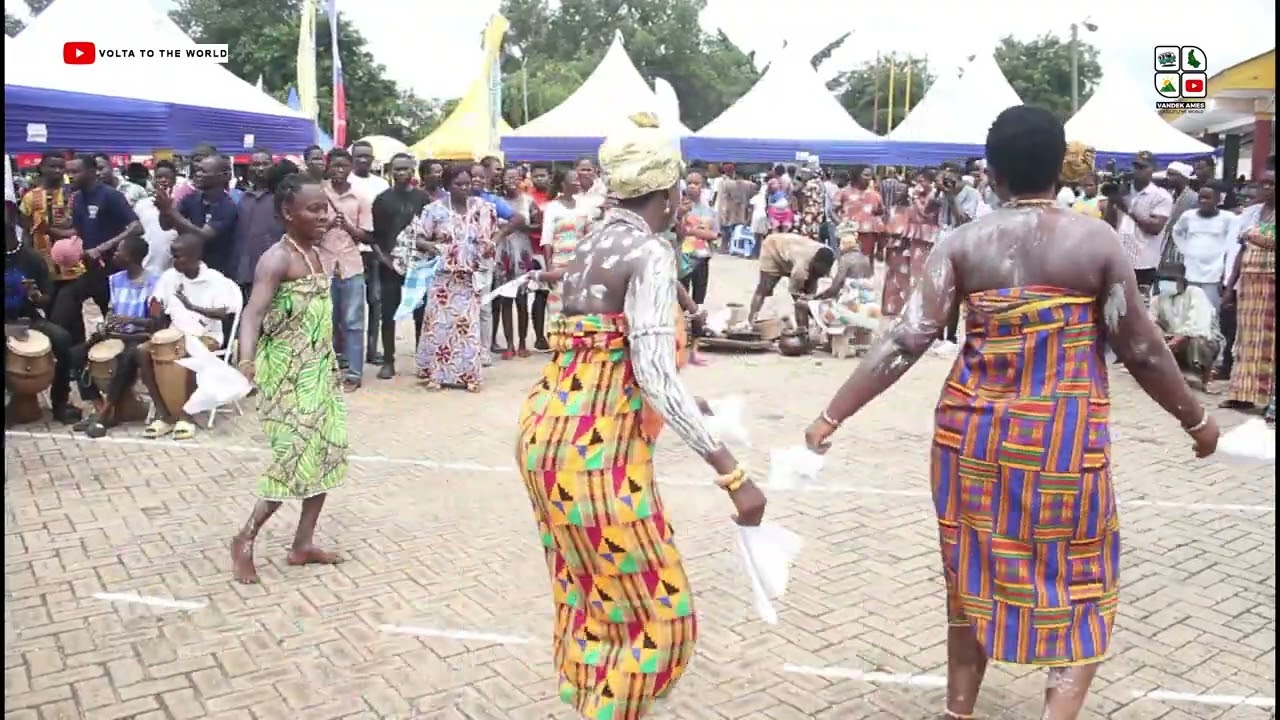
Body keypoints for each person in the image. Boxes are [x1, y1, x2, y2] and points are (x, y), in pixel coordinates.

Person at [804, 105, 1218, 720]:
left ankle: (958, 712)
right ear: (1062, 168)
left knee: (974, 574)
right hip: (1063, 442)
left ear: (992, 173)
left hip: (972, 440)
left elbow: (905, 339)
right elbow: (1140, 348)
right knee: (1081, 575)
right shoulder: (1096, 241)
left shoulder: (963, 243)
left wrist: (830, 416)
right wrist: (1196, 419)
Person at [515, 113, 764, 720]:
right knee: (662, 619)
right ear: (671, 191)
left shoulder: (588, 244)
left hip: (546, 436)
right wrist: (733, 476)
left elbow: (605, 359)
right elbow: (652, 375)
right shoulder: (649, 252)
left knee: (591, 602)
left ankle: (597, 704)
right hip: (596, 454)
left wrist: (697, 407)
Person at [231, 172, 348, 585]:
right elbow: (253, 313)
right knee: (293, 458)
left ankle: (302, 544)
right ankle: (244, 539)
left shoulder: (317, 253)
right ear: (287, 212)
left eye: (325, 208)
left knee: (326, 453)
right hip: (285, 376)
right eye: (314, 209)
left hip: (319, 372)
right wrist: (246, 361)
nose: (323, 215)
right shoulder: (277, 258)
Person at [140, 234, 242, 439]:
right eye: (173, 256)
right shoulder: (169, 277)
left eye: (179, 257)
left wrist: (191, 306)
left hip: (207, 336)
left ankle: (187, 415)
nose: (174, 261)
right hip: (175, 334)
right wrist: (155, 308)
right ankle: (164, 414)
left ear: (196, 255)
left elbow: (223, 313)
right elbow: (156, 303)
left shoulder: (215, 280)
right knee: (141, 352)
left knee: (191, 352)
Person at [414, 165, 498, 392]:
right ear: (447, 186)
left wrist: (490, 246)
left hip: (469, 277)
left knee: (467, 327)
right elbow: (419, 238)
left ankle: (469, 375)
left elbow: (495, 232)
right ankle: (437, 375)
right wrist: (433, 247)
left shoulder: (483, 208)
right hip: (442, 279)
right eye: (458, 184)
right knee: (440, 326)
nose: (464, 188)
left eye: (467, 184)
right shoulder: (434, 210)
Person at [68, 234, 159, 437]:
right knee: (75, 355)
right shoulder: (115, 280)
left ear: (133, 256)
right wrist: (106, 325)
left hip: (140, 336)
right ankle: (99, 407)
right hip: (116, 334)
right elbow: (111, 311)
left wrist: (129, 321)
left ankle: (107, 412)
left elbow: (156, 323)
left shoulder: (154, 282)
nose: (115, 254)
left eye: (120, 251)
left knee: (126, 358)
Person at [51, 154, 143, 346]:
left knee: (113, 321)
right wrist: (52, 230)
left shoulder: (110, 195)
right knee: (64, 303)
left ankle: (116, 361)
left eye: (75, 172)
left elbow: (136, 227)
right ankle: (71, 355)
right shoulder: (77, 199)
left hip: (114, 270)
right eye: (69, 172)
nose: (70, 176)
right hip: (91, 269)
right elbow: (78, 230)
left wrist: (103, 247)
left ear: (92, 172)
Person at [4, 213, 81, 424]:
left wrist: (36, 296)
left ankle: (60, 403)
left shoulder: (31, 258)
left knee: (63, 339)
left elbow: (47, 298)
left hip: (27, 320)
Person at [370, 153, 429, 378]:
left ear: (413, 171)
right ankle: (388, 361)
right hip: (390, 265)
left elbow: (429, 230)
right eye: (396, 169)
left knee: (421, 313)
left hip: (418, 266)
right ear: (390, 171)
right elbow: (376, 237)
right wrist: (385, 260)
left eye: (405, 169)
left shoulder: (423, 198)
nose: (401, 173)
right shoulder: (382, 200)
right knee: (389, 313)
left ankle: (423, 360)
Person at [1221, 169, 1275, 411]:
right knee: (1244, 339)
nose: (1266, 189)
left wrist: (1255, 237)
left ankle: (1266, 398)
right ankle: (1241, 393)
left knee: (1268, 343)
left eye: (1271, 184)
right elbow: (1240, 250)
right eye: (1263, 184)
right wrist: (1231, 285)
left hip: (1271, 285)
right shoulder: (1253, 213)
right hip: (1249, 285)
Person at [320, 148, 375, 392]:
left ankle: (353, 374)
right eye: (334, 166)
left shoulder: (361, 198)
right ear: (328, 167)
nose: (339, 171)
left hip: (352, 266)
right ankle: (329, 371)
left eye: (343, 166)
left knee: (353, 322)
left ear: (351, 168)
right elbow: (308, 232)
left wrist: (349, 227)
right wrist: (330, 224)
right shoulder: (318, 194)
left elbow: (367, 235)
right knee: (326, 322)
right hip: (323, 266)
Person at [156, 154, 239, 277]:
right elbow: (165, 226)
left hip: (216, 272)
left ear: (222, 176)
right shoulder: (191, 199)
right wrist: (163, 210)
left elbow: (203, 236)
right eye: (197, 170)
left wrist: (171, 212)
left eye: (203, 171)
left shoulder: (227, 206)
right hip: (188, 270)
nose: (198, 174)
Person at [18, 152, 82, 304]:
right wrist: (28, 258)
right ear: (42, 168)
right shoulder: (30, 197)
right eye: (53, 166)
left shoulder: (74, 194)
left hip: (71, 263)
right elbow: (25, 231)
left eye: (61, 167)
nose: (58, 171)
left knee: (71, 310)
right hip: (43, 262)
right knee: (48, 306)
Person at [796, 223, 877, 340]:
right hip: (866, 307)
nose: (838, 246)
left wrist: (816, 298)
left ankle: (803, 339)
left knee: (801, 304)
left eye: (839, 243)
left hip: (849, 309)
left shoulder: (845, 260)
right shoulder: (865, 259)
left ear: (844, 244)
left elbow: (835, 288)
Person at [1109, 151, 1173, 297]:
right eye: (1136, 166)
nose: (1138, 171)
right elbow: (1110, 223)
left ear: (1153, 170)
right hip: (1119, 260)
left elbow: (1155, 227)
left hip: (1143, 263)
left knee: (1140, 306)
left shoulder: (1161, 196)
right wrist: (1113, 200)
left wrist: (1129, 208)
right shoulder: (1123, 191)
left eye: (1143, 167)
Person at [1150, 263, 1222, 391]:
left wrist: (1174, 342)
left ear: (1181, 281)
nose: (1167, 284)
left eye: (1171, 281)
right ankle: (1172, 375)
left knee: (1199, 342)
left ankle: (1207, 378)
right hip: (1172, 339)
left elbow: (1197, 325)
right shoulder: (1158, 298)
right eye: (1164, 281)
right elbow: (1150, 321)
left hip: (1199, 339)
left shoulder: (1195, 293)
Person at [881, 169, 940, 317]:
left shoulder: (933, 195)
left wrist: (914, 198)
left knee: (921, 273)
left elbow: (925, 213)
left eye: (922, 181)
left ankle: (920, 308)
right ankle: (905, 307)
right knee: (911, 273)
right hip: (914, 236)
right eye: (918, 181)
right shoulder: (910, 200)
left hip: (926, 236)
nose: (918, 184)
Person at [494, 166, 539, 358]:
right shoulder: (498, 202)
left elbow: (539, 224)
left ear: (522, 179)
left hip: (522, 251)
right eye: (507, 177)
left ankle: (522, 343)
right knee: (505, 299)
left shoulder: (529, 201)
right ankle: (509, 344)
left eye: (515, 178)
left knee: (522, 300)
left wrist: (524, 226)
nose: (511, 181)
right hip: (503, 251)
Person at [230, 150, 284, 302]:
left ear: (273, 167)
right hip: (245, 270)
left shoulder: (281, 198)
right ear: (249, 169)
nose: (260, 169)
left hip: (275, 269)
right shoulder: (240, 199)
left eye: (265, 164)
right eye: (256, 165)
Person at [747, 231, 836, 325]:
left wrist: (812, 301)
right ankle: (751, 320)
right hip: (773, 248)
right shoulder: (801, 268)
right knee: (764, 288)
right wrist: (813, 310)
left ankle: (809, 325)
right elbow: (795, 293)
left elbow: (813, 288)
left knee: (808, 296)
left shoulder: (827, 253)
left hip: (791, 251)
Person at [1170, 184, 1235, 309]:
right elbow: (1176, 232)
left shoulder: (1228, 218)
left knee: (1211, 311)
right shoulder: (1188, 216)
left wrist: (1226, 269)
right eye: (1200, 198)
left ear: (1218, 199)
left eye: (1207, 198)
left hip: (1214, 274)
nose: (1203, 201)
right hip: (1192, 272)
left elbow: (1233, 242)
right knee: (1192, 311)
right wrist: (1185, 249)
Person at [677, 171, 719, 305]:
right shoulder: (679, 209)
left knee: (699, 298)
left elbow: (713, 235)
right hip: (682, 258)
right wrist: (700, 231)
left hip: (701, 258)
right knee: (681, 297)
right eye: (689, 183)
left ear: (703, 187)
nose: (692, 186)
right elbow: (678, 232)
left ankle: (697, 325)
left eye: (696, 183)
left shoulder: (709, 211)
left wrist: (691, 230)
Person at [834, 165, 886, 268]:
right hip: (849, 233)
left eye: (870, 176)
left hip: (868, 234)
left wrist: (880, 243)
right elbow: (833, 210)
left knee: (865, 264)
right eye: (865, 175)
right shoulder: (844, 193)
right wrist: (840, 224)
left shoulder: (875, 195)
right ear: (857, 176)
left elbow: (881, 213)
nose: (868, 178)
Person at [138, 160, 180, 276]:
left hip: (172, 268)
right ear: (153, 179)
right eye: (159, 177)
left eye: (167, 177)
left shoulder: (180, 204)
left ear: (174, 180)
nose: (163, 180)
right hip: (146, 265)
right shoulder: (141, 204)